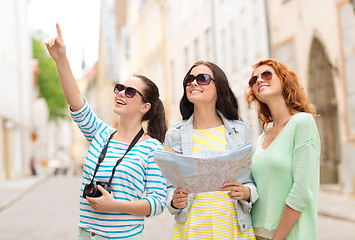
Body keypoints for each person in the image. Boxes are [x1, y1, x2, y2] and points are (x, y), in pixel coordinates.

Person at [45, 23, 167, 240]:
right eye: (119, 88)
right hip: (86, 234)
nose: (120, 93)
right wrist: (61, 59)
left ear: (144, 106)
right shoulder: (100, 134)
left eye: (130, 92)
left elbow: (157, 203)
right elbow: (76, 102)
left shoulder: (152, 148)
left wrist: (113, 205)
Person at [165, 61, 258, 239]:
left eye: (203, 78)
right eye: (189, 79)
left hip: (234, 229)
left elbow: (251, 182)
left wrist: (246, 193)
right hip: (192, 231)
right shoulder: (174, 135)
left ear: (219, 87)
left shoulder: (240, 131)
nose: (193, 83)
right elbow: (169, 187)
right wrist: (174, 200)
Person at [245, 59, 321, 240]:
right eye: (254, 80)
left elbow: (302, 191)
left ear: (284, 80)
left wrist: (277, 238)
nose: (259, 81)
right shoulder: (263, 136)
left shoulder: (302, 123)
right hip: (254, 234)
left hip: (289, 235)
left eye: (266, 74)